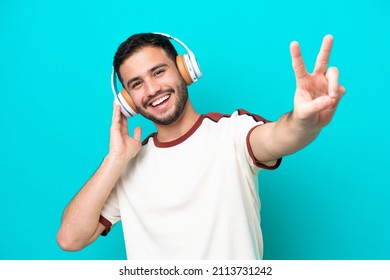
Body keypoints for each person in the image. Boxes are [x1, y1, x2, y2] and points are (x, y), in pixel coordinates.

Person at [57, 32, 345, 259]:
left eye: (158, 72)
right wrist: (114, 159)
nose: (152, 89)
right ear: (128, 101)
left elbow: (281, 136)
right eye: (136, 84)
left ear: (184, 70)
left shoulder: (233, 133)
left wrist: (305, 121)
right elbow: (70, 239)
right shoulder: (125, 167)